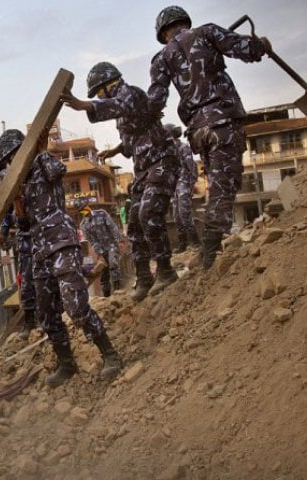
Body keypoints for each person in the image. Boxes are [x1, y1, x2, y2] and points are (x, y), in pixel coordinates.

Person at [0, 129, 122, 387]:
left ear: (19, 153)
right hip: (40, 250)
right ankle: (67, 364)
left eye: (9, 160)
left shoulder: (42, 163)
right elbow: (22, 221)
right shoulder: (18, 186)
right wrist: (15, 206)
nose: (7, 167)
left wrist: (37, 151)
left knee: (75, 307)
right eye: (4, 164)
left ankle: (110, 355)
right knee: (47, 313)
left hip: (61, 242)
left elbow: (57, 170)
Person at [148, 5, 271, 269]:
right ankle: (209, 254)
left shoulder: (161, 59)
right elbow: (246, 49)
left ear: (163, 33)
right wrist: (260, 45)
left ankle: (211, 248)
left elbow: (155, 101)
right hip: (222, 123)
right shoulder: (206, 33)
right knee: (223, 190)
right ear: (184, 23)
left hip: (199, 132)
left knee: (216, 185)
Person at [62, 61, 179, 302]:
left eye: (99, 92)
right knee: (134, 222)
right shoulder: (123, 108)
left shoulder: (131, 93)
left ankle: (166, 270)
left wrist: (82, 104)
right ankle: (145, 277)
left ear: (108, 85)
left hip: (161, 161)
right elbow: (131, 138)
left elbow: (115, 106)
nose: (99, 96)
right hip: (144, 169)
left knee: (148, 212)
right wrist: (114, 151)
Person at [0, 210, 37, 340]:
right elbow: (7, 214)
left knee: (45, 283)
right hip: (24, 246)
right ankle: (29, 322)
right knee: (26, 285)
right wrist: (3, 232)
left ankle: (50, 318)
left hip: (41, 241)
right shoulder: (14, 204)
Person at [74, 198, 122, 297]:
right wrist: (99, 254)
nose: (83, 211)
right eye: (81, 210)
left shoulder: (102, 213)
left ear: (87, 206)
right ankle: (107, 296)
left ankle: (118, 291)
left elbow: (112, 227)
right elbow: (92, 241)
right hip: (101, 250)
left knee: (113, 264)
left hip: (111, 244)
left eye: (84, 208)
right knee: (104, 273)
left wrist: (119, 241)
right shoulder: (83, 225)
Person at [164, 123, 200, 252]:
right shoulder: (166, 151)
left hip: (184, 183)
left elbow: (191, 166)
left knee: (184, 213)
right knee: (176, 216)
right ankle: (183, 244)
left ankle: (195, 241)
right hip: (174, 187)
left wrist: (190, 183)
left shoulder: (183, 147)